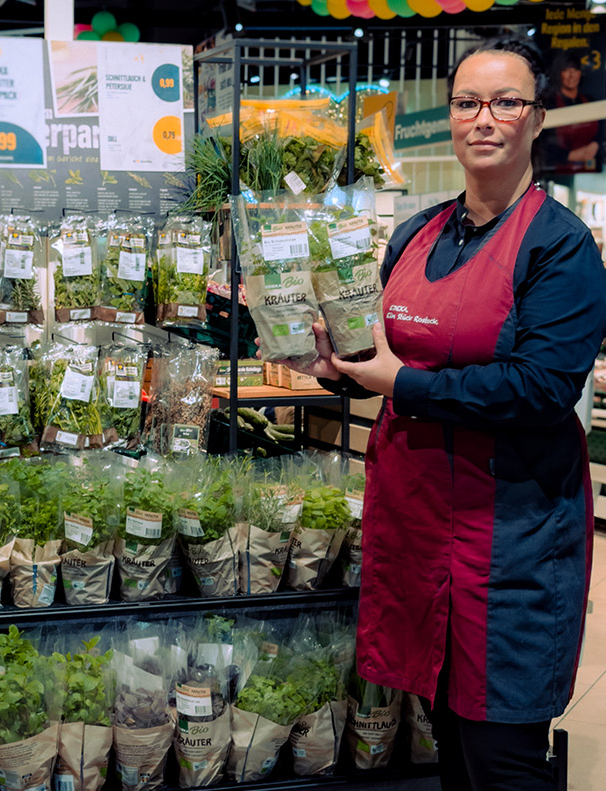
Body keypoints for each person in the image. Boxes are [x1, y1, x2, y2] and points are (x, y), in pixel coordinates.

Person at [279, 36, 606, 790]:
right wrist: (335, 367)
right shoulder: (416, 233)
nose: (482, 118)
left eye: (505, 102)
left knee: (502, 750)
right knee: (445, 737)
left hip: (512, 541)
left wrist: (400, 384)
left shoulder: (560, 248)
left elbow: (539, 389)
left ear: (537, 118)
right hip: (419, 527)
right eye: (466, 102)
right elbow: (381, 366)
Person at [541, 53, 601, 173]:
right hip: (556, 171)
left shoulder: (591, 102)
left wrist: (595, 144)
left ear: (580, 73)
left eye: (575, 70)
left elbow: (601, 132)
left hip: (590, 169)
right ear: (559, 74)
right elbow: (541, 143)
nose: (571, 76)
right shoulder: (549, 104)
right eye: (566, 70)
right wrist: (568, 155)